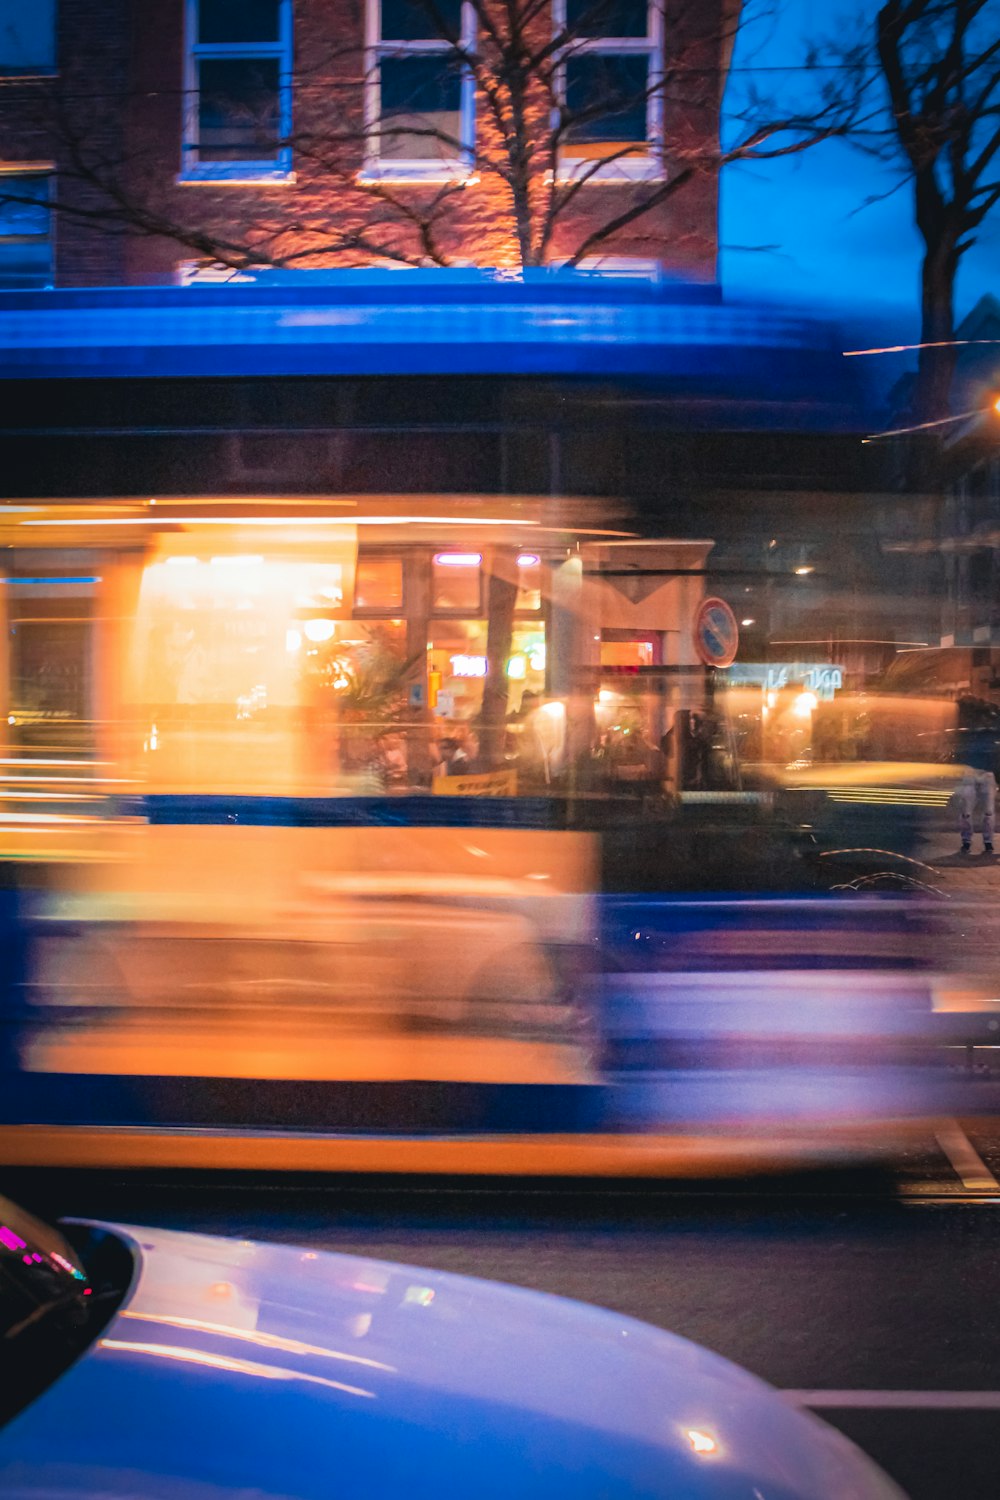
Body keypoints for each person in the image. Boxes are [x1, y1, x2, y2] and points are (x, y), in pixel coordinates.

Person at [952, 704, 998, 856]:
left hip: (981, 773)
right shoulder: (975, 734)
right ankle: (980, 842)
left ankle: (977, 841)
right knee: (975, 811)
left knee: (984, 811)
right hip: (976, 772)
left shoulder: (974, 734)